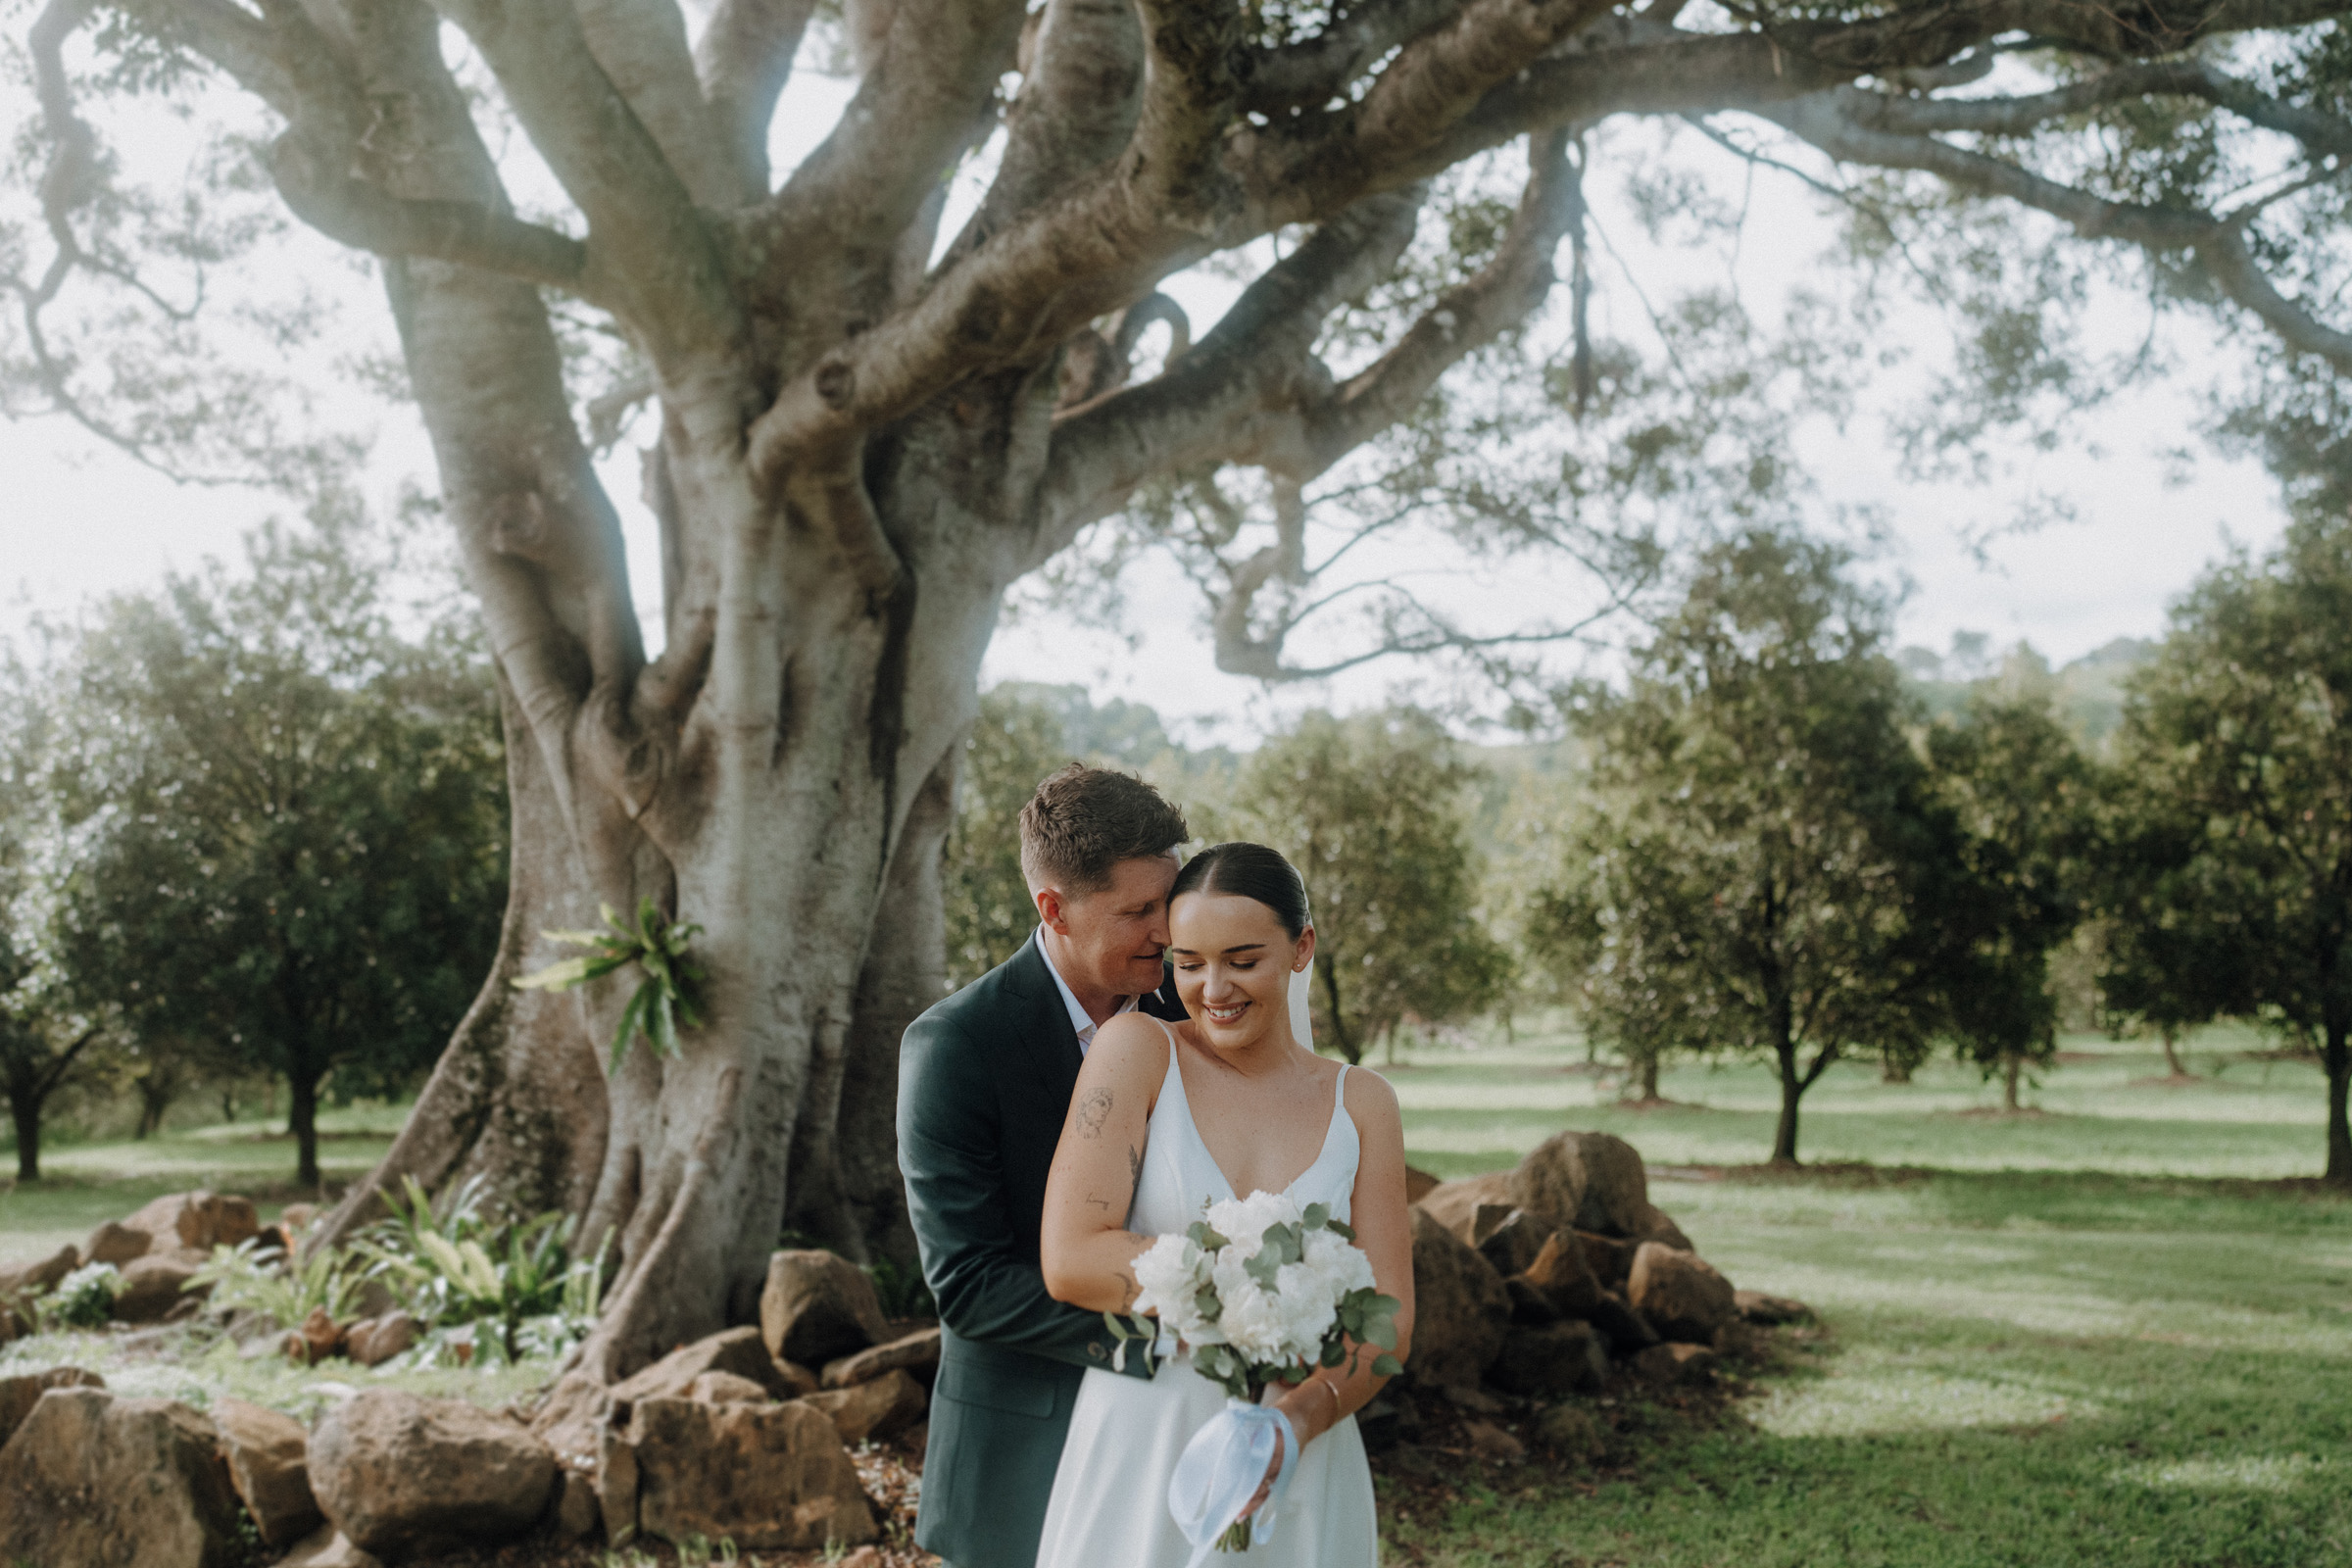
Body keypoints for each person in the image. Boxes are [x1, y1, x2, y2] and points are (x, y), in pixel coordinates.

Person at [1033, 842, 1415, 1567]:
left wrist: (1297, 1422)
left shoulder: (1363, 1102)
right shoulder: (1137, 1050)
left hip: (1301, 1445)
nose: (1213, 988)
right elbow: (1072, 1258)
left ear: (1301, 948)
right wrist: (1257, 1291)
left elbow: (1390, 1316)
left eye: (1243, 961)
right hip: (1150, 1435)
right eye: (1189, 962)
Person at [898, 764, 1193, 1568]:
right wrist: (1184, 1326)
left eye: (1168, 902)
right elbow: (969, 1284)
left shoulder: (1194, 1019)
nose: (1166, 932)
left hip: (1184, 1439)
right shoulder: (955, 1046)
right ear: (1053, 909)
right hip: (1024, 1453)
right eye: (1137, 910)